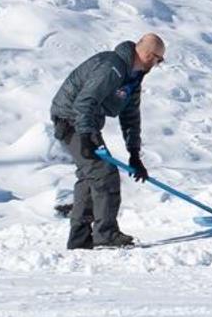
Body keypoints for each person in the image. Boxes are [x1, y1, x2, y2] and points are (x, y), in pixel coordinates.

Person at [51, 33, 166, 249]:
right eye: (159, 60)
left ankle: (80, 238)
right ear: (150, 56)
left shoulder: (133, 77)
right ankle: (106, 234)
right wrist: (85, 137)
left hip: (84, 123)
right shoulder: (112, 67)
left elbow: (131, 117)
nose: (158, 64)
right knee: (104, 173)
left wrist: (134, 153)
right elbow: (85, 102)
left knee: (91, 177)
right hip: (71, 119)